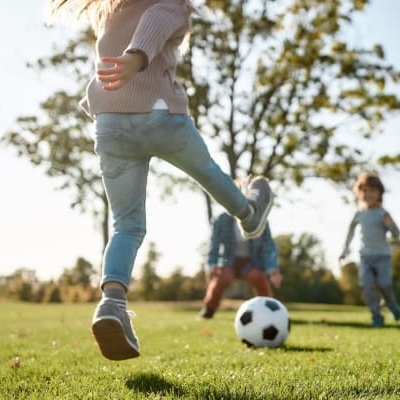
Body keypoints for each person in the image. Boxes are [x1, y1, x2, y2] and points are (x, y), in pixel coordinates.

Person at [49, 0, 274, 360]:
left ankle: (111, 303)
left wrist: (130, 59)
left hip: (109, 124)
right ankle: (249, 215)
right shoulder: (172, 4)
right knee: (211, 174)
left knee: (126, 226)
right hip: (159, 115)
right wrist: (137, 57)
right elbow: (154, 21)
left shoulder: (111, 11)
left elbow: (143, 28)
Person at [339, 173, 400, 327]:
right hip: (365, 257)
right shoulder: (359, 213)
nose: (368, 194)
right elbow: (350, 232)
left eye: (372, 191)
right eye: (364, 191)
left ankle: (391, 303)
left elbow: (396, 234)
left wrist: (390, 224)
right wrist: (345, 250)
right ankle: (376, 315)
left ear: (379, 193)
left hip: (383, 256)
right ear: (359, 193)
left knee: (384, 284)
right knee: (366, 286)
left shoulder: (383, 213)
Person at [199, 209, 282, 319]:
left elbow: (268, 246)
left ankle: (270, 311)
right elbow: (213, 244)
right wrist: (211, 265)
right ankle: (209, 309)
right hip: (228, 261)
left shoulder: (259, 220)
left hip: (250, 262)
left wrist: (273, 269)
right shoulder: (221, 219)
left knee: (258, 276)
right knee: (223, 278)